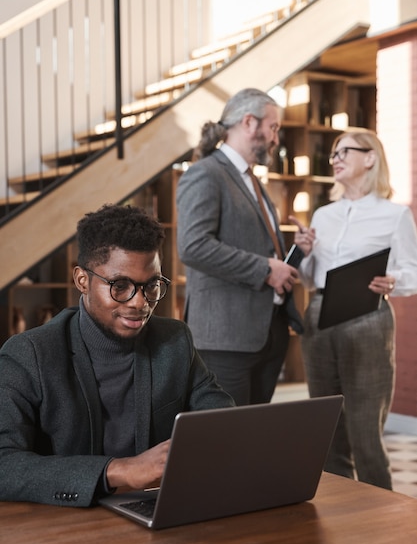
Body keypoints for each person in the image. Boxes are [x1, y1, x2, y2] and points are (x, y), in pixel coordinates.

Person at [0, 204, 234, 507]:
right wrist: (119, 470)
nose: (140, 303)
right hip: (63, 525)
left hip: (155, 512)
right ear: (82, 280)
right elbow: (4, 463)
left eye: (151, 285)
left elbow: (222, 421)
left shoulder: (175, 341)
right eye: (120, 286)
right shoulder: (29, 355)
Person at [290, 128, 417, 490]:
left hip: (369, 318)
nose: (336, 159)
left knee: (365, 430)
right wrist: (306, 253)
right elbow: (310, 279)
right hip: (319, 316)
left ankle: (381, 517)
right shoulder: (322, 215)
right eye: (334, 154)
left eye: (345, 151)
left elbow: (413, 271)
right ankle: (339, 513)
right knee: (327, 426)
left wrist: (394, 280)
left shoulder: (394, 215)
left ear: (370, 158)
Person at [176, 87, 303, 406]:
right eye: (273, 127)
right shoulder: (206, 174)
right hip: (225, 339)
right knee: (228, 442)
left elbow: (256, 246)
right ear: (249, 123)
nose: (276, 138)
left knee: (255, 437)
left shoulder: (253, 181)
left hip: (266, 334)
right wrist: (265, 269)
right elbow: (193, 246)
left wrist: (293, 253)